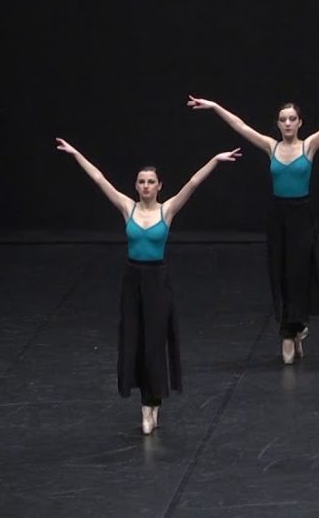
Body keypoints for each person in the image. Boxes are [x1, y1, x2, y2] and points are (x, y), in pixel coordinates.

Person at [187, 83, 319, 363]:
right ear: (278, 124)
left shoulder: (310, 145)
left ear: (300, 122)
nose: (288, 123)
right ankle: (290, 331)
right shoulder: (271, 147)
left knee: (299, 272)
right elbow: (241, 127)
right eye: (283, 119)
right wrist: (215, 107)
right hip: (278, 215)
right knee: (280, 272)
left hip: (302, 216)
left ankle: (293, 329)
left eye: (292, 118)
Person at [55, 137, 240, 435]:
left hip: (157, 281)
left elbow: (192, 183)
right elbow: (99, 178)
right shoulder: (126, 207)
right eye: (141, 181)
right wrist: (77, 153)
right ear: (136, 186)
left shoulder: (166, 211)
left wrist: (215, 160)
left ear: (159, 186)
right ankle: (144, 402)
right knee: (134, 341)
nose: (145, 186)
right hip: (132, 281)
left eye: (150, 182)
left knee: (154, 342)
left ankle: (153, 402)